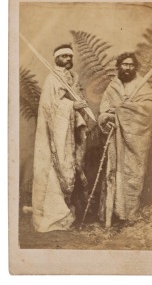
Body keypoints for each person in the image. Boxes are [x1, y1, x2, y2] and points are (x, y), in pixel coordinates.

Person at [32, 44, 88, 232]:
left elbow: (77, 99)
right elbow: (50, 107)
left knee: (71, 169)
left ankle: (69, 210)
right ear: (56, 58)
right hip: (56, 135)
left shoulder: (72, 78)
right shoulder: (52, 79)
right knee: (58, 169)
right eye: (63, 57)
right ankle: (56, 215)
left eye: (69, 57)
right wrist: (72, 107)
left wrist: (79, 105)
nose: (67, 60)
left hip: (70, 131)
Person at [98, 52, 152, 227]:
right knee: (112, 174)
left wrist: (125, 108)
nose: (128, 68)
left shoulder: (142, 86)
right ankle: (112, 214)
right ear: (119, 66)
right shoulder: (113, 86)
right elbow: (104, 109)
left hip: (134, 141)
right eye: (125, 64)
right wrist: (106, 118)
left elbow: (150, 108)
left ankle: (129, 215)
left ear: (135, 67)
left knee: (132, 174)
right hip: (115, 139)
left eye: (131, 65)